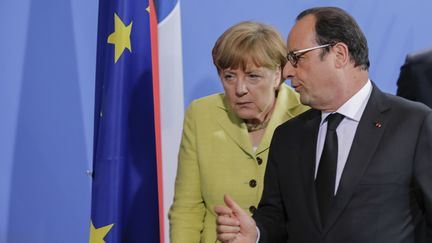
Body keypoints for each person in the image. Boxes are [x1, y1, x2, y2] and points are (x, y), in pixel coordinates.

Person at [215, 7, 432, 243]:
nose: (287, 71)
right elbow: (276, 217)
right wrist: (255, 234)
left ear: (339, 54)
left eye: (297, 57)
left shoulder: (415, 124)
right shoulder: (287, 136)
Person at [168, 21, 309, 243]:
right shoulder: (201, 114)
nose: (240, 89)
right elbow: (187, 209)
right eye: (229, 76)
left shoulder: (306, 115)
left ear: (277, 75)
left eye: (253, 76)